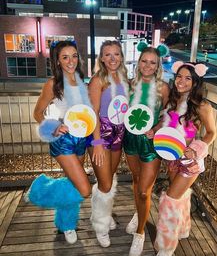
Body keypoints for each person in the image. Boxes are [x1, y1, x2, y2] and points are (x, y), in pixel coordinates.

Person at [25, 40, 92, 244]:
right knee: (85, 189)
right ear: (58, 61)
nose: (71, 61)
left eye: (74, 56)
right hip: (63, 139)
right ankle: (39, 190)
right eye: (65, 57)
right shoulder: (53, 84)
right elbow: (37, 112)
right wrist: (53, 127)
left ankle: (67, 224)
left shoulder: (82, 80)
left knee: (73, 183)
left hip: (82, 138)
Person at [154, 61, 216, 256]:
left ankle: (165, 247)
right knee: (179, 196)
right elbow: (166, 127)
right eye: (179, 76)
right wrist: (154, 131)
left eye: (188, 78)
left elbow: (211, 133)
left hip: (190, 161)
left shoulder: (202, 105)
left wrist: (195, 149)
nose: (182, 81)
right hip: (172, 158)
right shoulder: (173, 101)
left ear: (195, 82)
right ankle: (183, 229)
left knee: (170, 200)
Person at [123, 43, 169, 256]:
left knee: (144, 190)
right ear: (138, 62)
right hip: (130, 141)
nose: (147, 66)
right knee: (136, 180)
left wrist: (157, 128)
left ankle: (140, 233)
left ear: (158, 65)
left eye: (153, 62)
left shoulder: (163, 88)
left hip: (151, 143)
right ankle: (140, 212)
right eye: (144, 61)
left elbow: (166, 116)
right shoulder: (130, 84)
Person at [87, 40, 129, 248]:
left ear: (121, 56)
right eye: (108, 55)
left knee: (109, 181)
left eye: (116, 54)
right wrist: (96, 142)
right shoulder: (97, 80)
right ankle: (100, 226)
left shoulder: (124, 78)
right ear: (101, 58)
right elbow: (93, 112)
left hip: (119, 133)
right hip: (100, 134)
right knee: (104, 184)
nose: (112, 58)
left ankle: (102, 213)